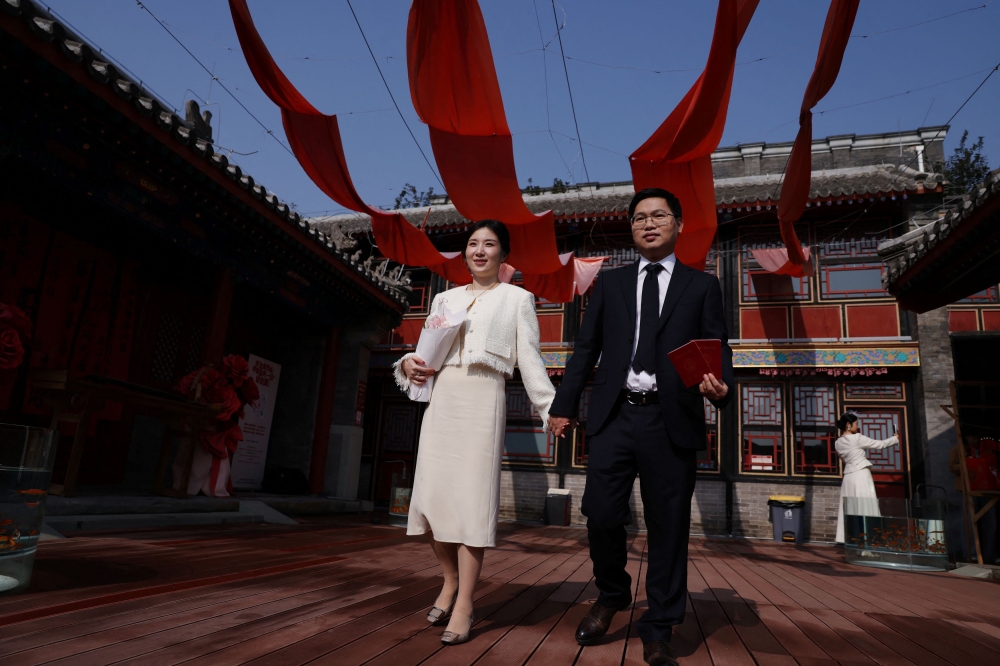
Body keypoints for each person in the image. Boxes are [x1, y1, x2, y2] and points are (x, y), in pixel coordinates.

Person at [547, 188, 734, 666]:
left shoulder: (702, 286)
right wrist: (562, 405)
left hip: (671, 417)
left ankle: (659, 626)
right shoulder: (609, 284)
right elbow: (585, 350)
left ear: (677, 225)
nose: (648, 224)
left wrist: (722, 387)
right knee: (601, 513)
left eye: (658, 216)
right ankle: (612, 594)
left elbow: (718, 345)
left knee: (668, 527)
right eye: (638, 218)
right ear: (631, 228)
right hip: (615, 414)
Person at [394, 219, 555, 646]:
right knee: (429, 501)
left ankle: (464, 601)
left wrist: (551, 407)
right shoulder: (444, 298)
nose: (479, 251)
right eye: (472, 244)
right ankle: (448, 580)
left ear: (504, 254)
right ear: (464, 253)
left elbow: (530, 358)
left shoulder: (518, 299)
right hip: (444, 397)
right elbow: (427, 349)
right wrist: (409, 361)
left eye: (489, 244)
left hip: (484, 398)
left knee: (470, 504)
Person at [834, 412, 898, 544]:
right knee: (866, 506)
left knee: (850, 509)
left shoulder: (838, 442)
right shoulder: (857, 438)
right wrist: (895, 438)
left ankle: (851, 539)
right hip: (861, 474)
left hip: (849, 477)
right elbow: (880, 444)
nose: (857, 427)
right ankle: (869, 540)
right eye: (856, 424)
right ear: (848, 425)